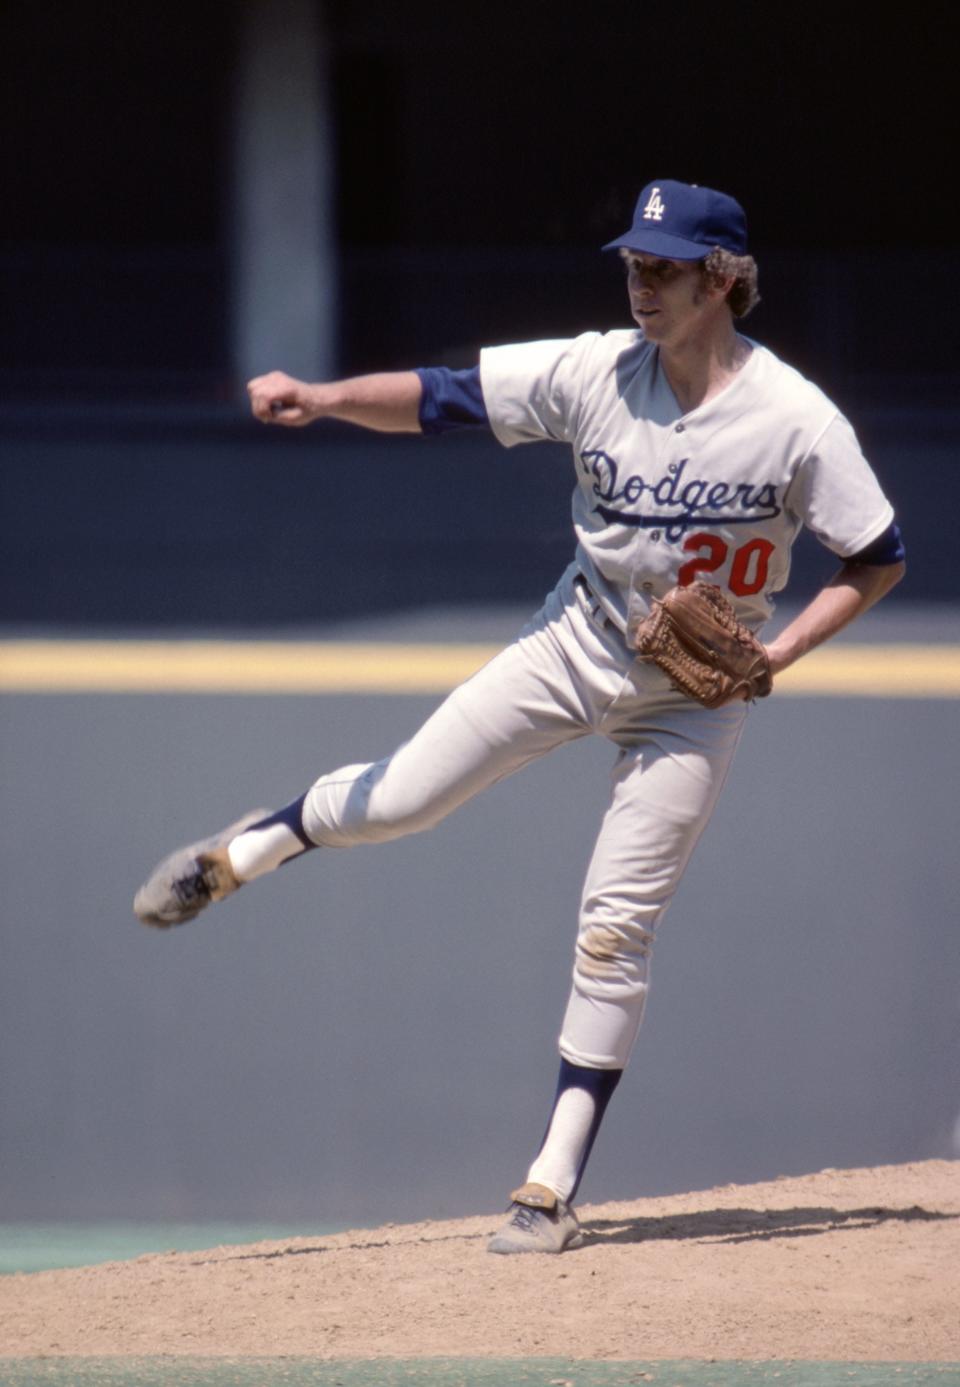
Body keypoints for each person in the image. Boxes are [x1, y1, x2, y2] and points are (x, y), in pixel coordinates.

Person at [134, 179, 905, 1254]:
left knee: (616, 923)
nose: (640, 282)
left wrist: (775, 652)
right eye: (633, 263)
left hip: (695, 701)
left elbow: (875, 558)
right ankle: (246, 849)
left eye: (664, 266)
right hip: (576, 640)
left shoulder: (796, 420)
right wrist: (319, 395)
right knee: (401, 799)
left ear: (723, 279)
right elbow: (444, 395)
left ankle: (548, 1184)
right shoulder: (595, 369)